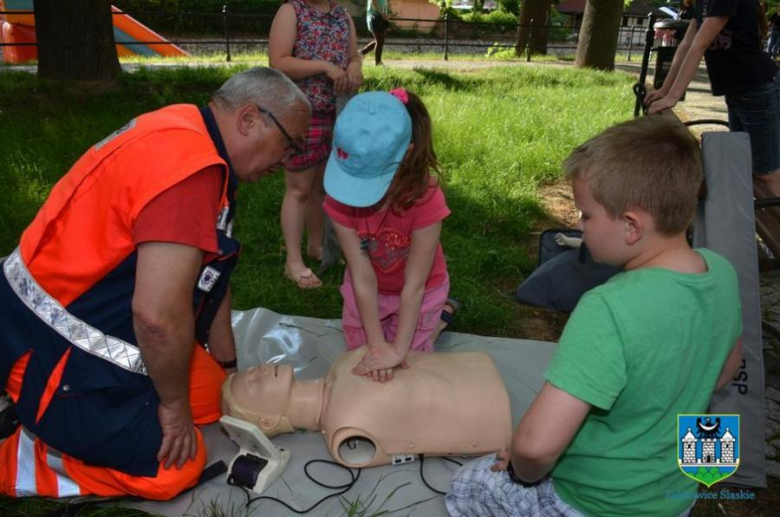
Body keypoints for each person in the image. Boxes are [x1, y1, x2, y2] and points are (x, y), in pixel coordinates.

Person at [0, 67, 310, 499]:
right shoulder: (190, 173)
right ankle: (25, 453)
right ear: (249, 118)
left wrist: (226, 370)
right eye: (289, 145)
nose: (286, 161)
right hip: (47, 352)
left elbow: (213, 273)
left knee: (209, 393)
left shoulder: (191, 131)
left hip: (64, 315)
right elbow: (157, 318)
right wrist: (173, 408)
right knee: (171, 473)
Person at [445, 116, 743, 516]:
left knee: (470, 484)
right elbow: (726, 369)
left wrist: (520, 465)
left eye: (586, 215)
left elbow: (537, 446)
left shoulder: (608, 307)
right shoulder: (720, 271)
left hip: (592, 503)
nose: (579, 226)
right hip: (672, 500)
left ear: (632, 226)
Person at [323, 89, 456, 383]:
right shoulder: (337, 200)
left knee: (409, 364)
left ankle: (439, 317)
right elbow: (361, 274)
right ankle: (431, 322)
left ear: (406, 154)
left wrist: (397, 351)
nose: (358, 197)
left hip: (419, 291)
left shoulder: (426, 197)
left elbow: (415, 285)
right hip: (368, 288)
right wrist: (377, 345)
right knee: (362, 363)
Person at [221, 348, 512, 468]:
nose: (259, 369)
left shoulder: (340, 365)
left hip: (475, 373)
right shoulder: (345, 428)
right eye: (254, 383)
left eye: (251, 372)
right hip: (494, 417)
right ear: (268, 422)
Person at [269, 0, 363, 289]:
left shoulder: (342, 15)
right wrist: (325, 67)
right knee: (299, 189)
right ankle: (293, 262)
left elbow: (354, 55)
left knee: (322, 187)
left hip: (336, 112)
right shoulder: (291, 11)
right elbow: (279, 62)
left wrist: (356, 68)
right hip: (301, 113)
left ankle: (316, 246)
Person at [645, 0, 780, 195]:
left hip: (757, 88)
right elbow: (686, 44)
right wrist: (665, 90)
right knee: (743, 161)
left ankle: (773, 223)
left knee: (767, 173)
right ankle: (752, 219)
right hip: (737, 92)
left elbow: (699, 46)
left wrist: (673, 96)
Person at [361, 0, 390, 66]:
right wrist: (383, 15)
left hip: (379, 17)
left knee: (379, 40)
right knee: (380, 41)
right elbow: (373, 2)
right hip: (375, 17)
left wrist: (385, 15)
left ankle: (361, 53)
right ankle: (378, 63)